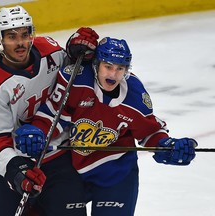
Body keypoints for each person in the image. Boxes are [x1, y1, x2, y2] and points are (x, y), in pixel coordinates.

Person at [15, 37, 198, 215]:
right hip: (73, 172)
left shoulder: (134, 96)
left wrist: (167, 146)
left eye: (120, 69)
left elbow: (150, 131)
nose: (113, 74)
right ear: (96, 64)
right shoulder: (75, 80)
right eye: (108, 67)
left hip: (116, 175)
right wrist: (37, 131)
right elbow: (53, 115)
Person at [0, 4, 99, 216]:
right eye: (12, 36)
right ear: (0, 39)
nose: (21, 42)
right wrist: (16, 171)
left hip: (59, 156)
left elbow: (73, 71)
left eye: (25, 34)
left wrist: (78, 50)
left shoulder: (49, 51)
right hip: (15, 162)